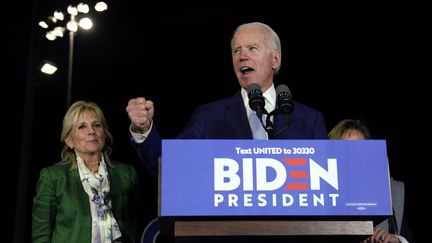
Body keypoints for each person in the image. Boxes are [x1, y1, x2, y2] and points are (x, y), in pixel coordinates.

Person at [126, 22, 328, 177]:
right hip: (230, 228)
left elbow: (326, 182)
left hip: (292, 228)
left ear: (275, 59)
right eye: (236, 50)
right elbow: (169, 166)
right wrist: (144, 130)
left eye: (252, 48)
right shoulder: (209, 116)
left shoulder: (309, 120)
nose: (242, 56)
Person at [32, 101, 142, 243]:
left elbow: (135, 224)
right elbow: (41, 235)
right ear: (69, 140)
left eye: (97, 125)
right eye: (82, 127)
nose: (92, 131)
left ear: (104, 133)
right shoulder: (53, 177)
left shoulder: (127, 174)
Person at [329, 118, 414, 243]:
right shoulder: (320, 195)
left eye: (359, 149)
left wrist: (396, 239)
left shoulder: (391, 192)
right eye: (345, 149)